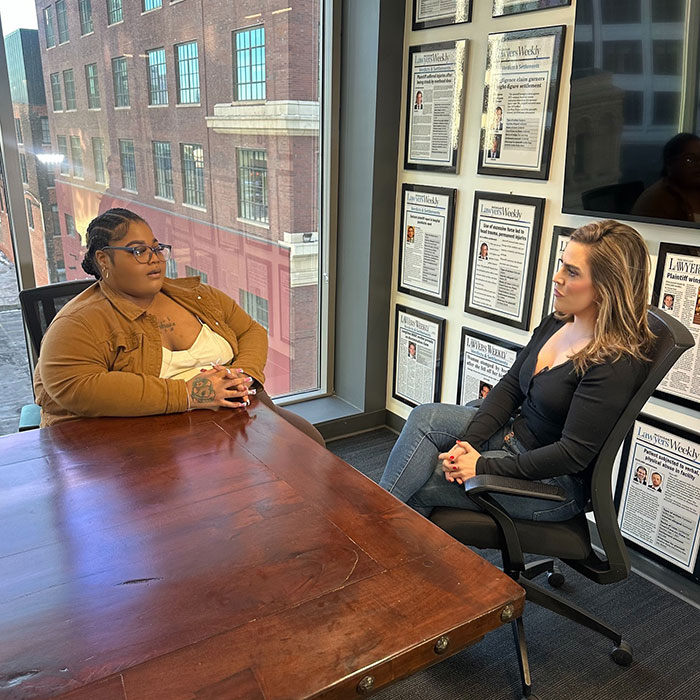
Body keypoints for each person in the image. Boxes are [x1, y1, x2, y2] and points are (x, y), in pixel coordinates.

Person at [379, 220, 654, 520]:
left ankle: (379, 543)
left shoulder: (613, 363)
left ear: (606, 288)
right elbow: (511, 386)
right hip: (513, 436)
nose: (556, 278)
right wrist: (468, 444)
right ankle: (372, 526)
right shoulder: (558, 321)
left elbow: (571, 455)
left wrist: (481, 466)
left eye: (572, 272)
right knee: (424, 419)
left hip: (551, 483)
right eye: (562, 265)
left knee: (428, 479)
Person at [33, 208, 325, 446]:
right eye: (138, 251)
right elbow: (74, 386)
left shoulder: (198, 296)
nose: (154, 258)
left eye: (157, 248)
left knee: (312, 450)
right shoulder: (78, 322)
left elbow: (251, 331)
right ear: (103, 259)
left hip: (235, 425)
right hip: (140, 445)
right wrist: (190, 393)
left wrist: (244, 375)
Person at [632, 133, 700, 222]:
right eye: (689, 159)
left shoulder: (695, 189)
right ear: (670, 164)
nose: (699, 164)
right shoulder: (656, 201)